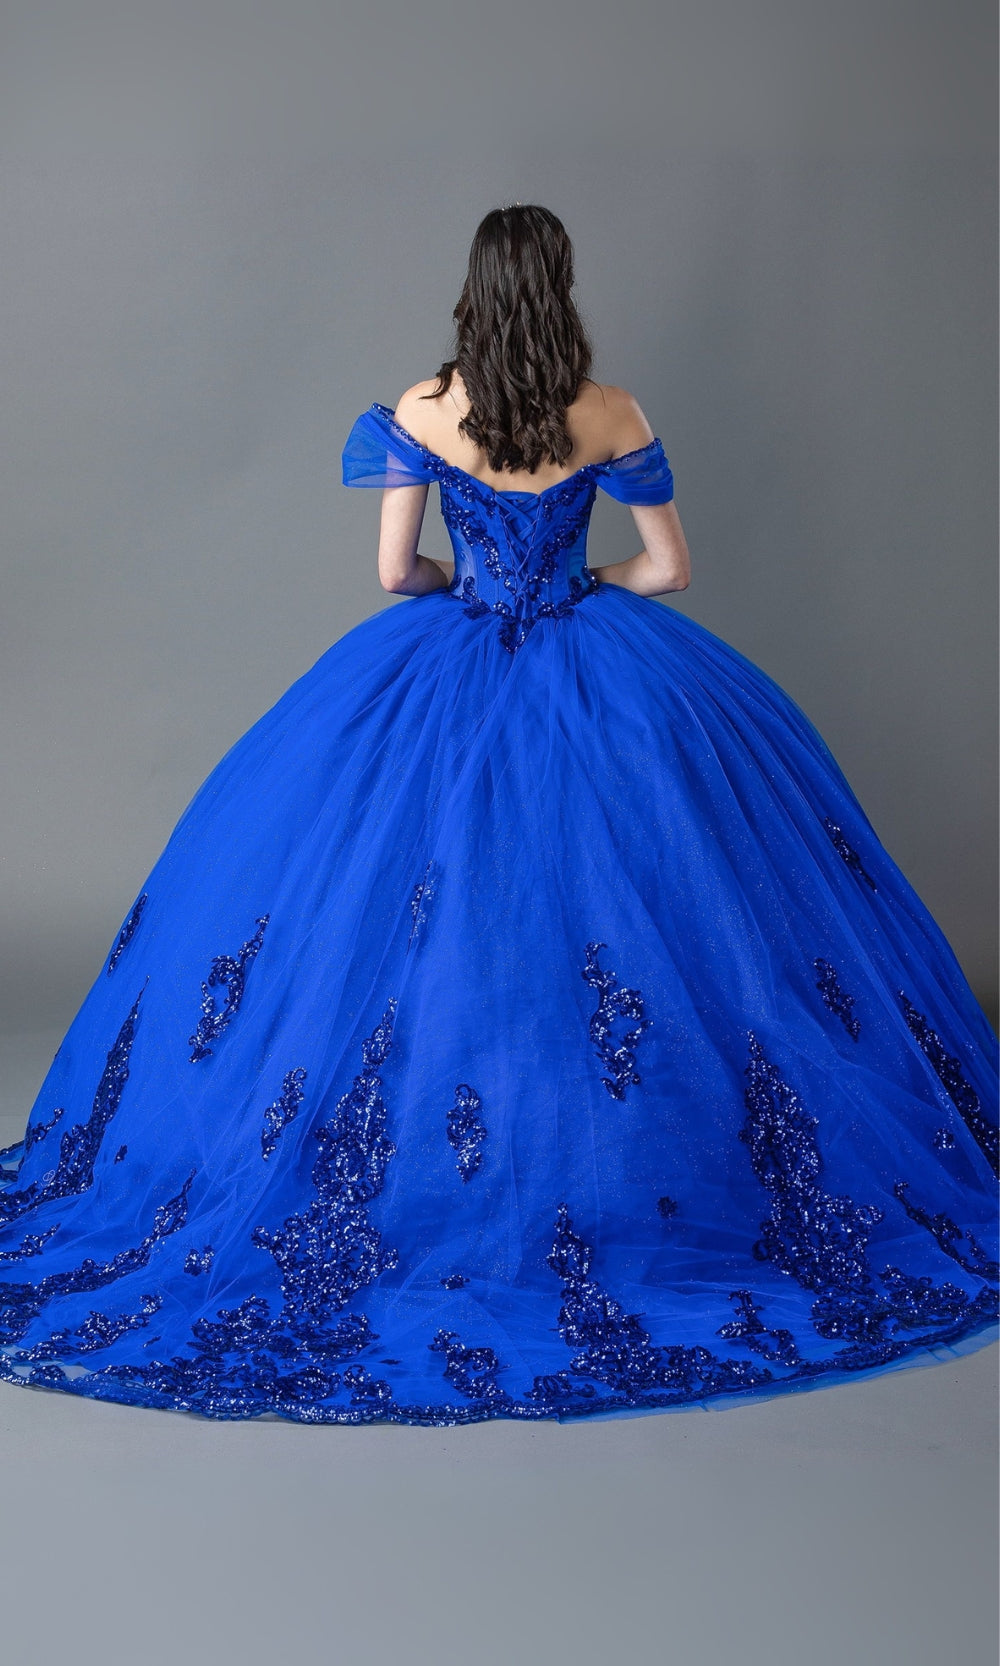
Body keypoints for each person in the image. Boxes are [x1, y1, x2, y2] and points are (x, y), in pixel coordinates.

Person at [0, 204, 996, 1426]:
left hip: (450, 666)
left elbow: (393, 574)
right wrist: (583, 587)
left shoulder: (422, 411)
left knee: (406, 924)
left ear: (473, 291)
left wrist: (459, 586)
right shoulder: (610, 410)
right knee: (649, 912)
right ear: (560, 288)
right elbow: (669, 569)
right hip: (599, 672)